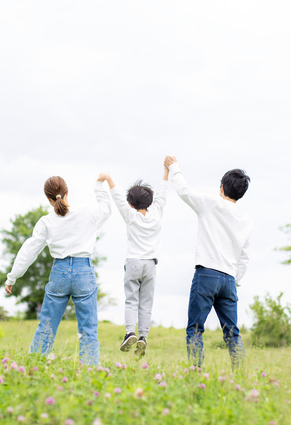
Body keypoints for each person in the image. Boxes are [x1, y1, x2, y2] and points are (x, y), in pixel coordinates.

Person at [4, 174, 112, 365]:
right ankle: (89, 375)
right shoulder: (86, 212)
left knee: (46, 326)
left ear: (48, 199)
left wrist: (12, 277)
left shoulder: (46, 222)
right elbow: (106, 209)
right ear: (67, 192)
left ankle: (33, 368)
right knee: (88, 329)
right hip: (83, 271)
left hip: (59, 273)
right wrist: (98, 186)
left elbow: (29, 250)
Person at [164, 155, 252, 369]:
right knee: (232, 333)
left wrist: (173, 166)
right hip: (229, 280)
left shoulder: (213, 204)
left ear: (221, 187)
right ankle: (241, 376)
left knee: (195, 328)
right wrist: (234, 280)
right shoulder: (245, 220)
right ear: (241, 194)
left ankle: (196, 374)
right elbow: (244, 257)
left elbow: (184, 191)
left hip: (207, 274)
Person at [101, 166, 169, 357]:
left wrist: (108, 178)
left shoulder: (130, 216)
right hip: (150, 265)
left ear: (130, 204)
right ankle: (143, 337)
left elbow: (117, 198)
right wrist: (165, 172)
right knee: (146, 303)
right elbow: (163, 194)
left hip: (133, 263)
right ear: (150, 202)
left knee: (131, 300)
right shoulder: (156, 214)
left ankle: (130, 332)